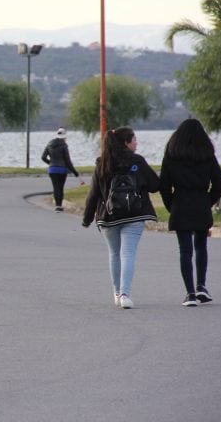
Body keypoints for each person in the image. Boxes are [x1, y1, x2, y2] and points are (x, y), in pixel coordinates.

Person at [82, 127, 160, 309]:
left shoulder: (103, 163)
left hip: (109, 217)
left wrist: (87, 218)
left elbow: (93, 194)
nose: (136, 143)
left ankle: (117, 293)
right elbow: (155, 185)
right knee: (128, 253)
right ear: (126, 142)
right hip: (134, 215)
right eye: (134, 140)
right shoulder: (138, 161)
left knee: (115, 254)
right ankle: (125, 294)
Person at [160, 119, 221, 307]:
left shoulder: (171, 156)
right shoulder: (207, 155)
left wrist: (171, 205)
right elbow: (219, 184)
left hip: (180, 202)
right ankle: (201, 286)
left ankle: (189, 293)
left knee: (185, 250)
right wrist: (208, 201)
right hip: (200, 203)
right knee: (201, 247)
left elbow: (164, 185)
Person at [41, 127, 81, 212]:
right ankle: (59, 205)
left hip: (52, 170)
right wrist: (74, 172)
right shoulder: (64, 145)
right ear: (64, 136)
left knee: (56, 187)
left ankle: (57, 206)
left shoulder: (49, 144)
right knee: (60, 187)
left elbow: (43, 157)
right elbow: (67, 160)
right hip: (62, 169)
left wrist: (51, 163)